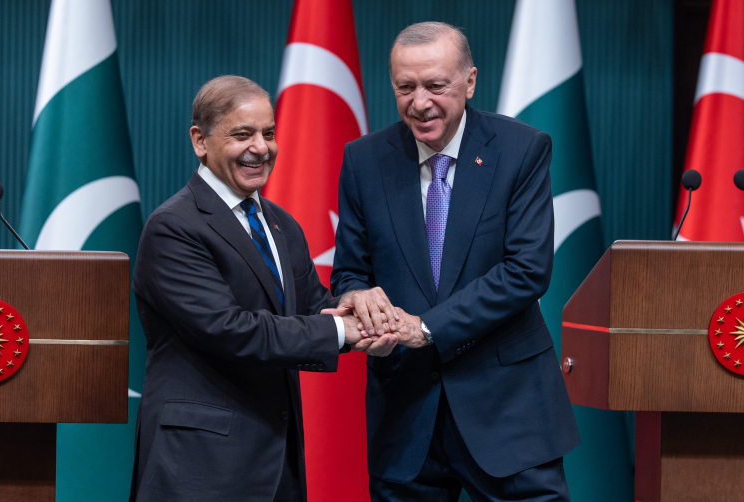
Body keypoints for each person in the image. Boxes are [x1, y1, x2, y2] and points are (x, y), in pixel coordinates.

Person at [331, 22, 580, 501]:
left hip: (507, 408)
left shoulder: (521, 149)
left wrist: (426, 328)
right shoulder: (364, 160)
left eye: (435, 85)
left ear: (469, 82)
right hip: (404, 412)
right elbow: (349, 270)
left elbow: (526, 270)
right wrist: (358, 297)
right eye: (405, 87)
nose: (419, 102)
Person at [128, 76, 385, 502]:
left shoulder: (281, 224)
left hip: (276, 462)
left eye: (268, 133)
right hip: (199, 465)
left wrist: (365, 313)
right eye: (242, 134)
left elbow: (313, 309)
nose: (261, 148)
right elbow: (230, 330)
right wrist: (345, 330)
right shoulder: (173, 227)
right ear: (200, 141)